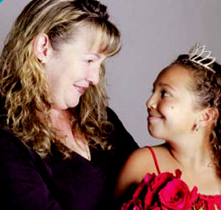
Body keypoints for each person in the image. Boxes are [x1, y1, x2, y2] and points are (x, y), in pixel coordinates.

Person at [0, 0, 138, 209]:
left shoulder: (102, 119)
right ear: (43, 48)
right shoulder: (6, 137)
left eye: (100, 64)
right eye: (89, 61)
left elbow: (153, 181)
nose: (95, 78)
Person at [115, 44, 221, 209]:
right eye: (153, 91)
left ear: (205, 116)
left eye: (165, 94)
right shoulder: (141, 164)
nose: (150, 102)